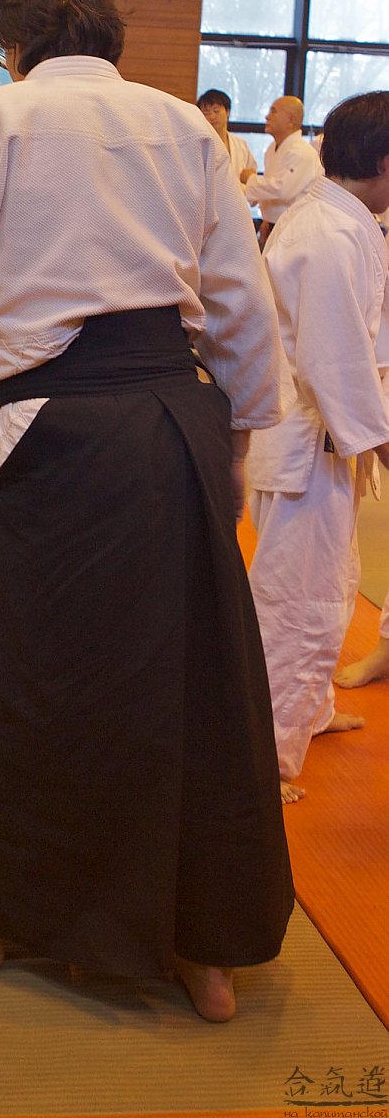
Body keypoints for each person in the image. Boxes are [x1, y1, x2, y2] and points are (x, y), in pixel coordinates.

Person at [0, 0, 292, 1024]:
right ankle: (204, 946)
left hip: (53, 425)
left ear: (10, 46)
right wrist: (236, 443)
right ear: (110, 38)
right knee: (189, 673)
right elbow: (237, 299)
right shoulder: (183, 127)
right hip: (177, 413)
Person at [247, 92, 389, 803]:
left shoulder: (336, 217)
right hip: (307, 443)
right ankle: (265, 756)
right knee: (296, 605)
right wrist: (385, 446)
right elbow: (334, 363)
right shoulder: (330, 232)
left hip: (313, 440)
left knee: (326, 586)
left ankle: (309, 711)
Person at [244, 96, 322, 241]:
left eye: (273, 111)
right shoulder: (272, 148)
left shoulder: (302, 152)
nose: (267, 117)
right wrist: (266, 218)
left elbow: (282, 189)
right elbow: (270, 188)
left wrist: (250, 180)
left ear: (290, 120)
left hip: (295, 227)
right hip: (274, 223)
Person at [196, 88, 257, 185]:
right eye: (206, 113)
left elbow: (251, 173)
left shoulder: (241, 145)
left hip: (238, 193)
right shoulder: (198, 144)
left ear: (227, 112)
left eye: (216, 111)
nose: (212, 117)